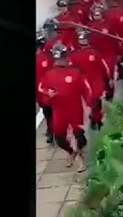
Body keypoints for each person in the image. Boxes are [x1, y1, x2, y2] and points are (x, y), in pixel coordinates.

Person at [37, 43, 94, 171]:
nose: (59, 61)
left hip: (75, 109)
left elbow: (87, 89)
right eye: (57, 59)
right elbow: (41, 88)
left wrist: (89, 105)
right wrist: (49, 94)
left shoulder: (75, 72)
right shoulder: (49, 75)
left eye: (61, 58)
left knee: (79, 135)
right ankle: (71, 152)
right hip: (59, 110)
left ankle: (81, 158)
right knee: (59, 138)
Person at [68, 29, 110, 129]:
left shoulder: (94, 52)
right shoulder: (74, 56)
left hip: (96, 82)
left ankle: (97, 120)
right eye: (81, 40)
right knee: (92, 102)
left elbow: (103, 66)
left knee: (96, 102)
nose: (83, 42)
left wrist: (108, 79)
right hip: (85, 84)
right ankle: (95, 119)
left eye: (84, 39)